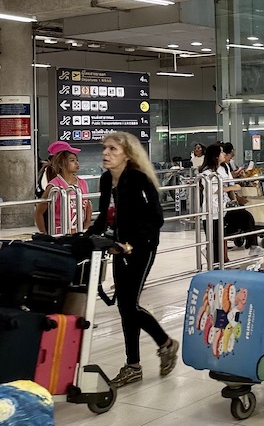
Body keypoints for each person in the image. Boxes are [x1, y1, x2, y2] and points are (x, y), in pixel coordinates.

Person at [87, 132, 179, 388]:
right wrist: (86, 239)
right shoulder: (107, 180)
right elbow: (104, 217)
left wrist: (132, 245)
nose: (106, 153)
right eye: (105, 148)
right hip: (118, 247)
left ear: (127, 154)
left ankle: (164, 345)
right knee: (125, 307)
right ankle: (134, 365)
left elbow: (155, 219)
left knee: (129, 305)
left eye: (113, 149)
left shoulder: (139, 179)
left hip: (142, 247)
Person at [34, 141, 92, 234]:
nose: (77, 163)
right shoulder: (54, 186)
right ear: (61, 164)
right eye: (72, 160)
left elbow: (88, 205)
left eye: (77, 160)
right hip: (60, 234)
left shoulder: (83, 183)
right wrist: (44, 234)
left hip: (79, 233)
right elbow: (39, 212)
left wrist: (86, 226)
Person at [199, 144, 244, 263]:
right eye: (222, 152)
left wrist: (233, 197)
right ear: (215, 156)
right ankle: (215, 262)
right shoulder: (207, 172)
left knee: (245, 217)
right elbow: (214, 190)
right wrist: (229, 188)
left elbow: (230, 184)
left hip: (224, 207)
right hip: (212, 210)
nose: (224, 154)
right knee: (215, 241)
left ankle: (253, 245)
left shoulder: (225, 167)